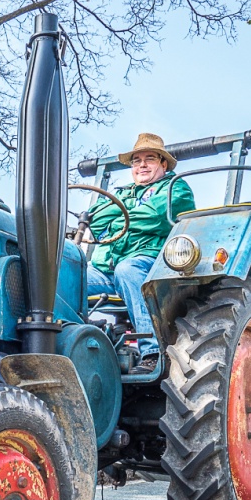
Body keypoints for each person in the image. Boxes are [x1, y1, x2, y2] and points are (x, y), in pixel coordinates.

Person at [86, 132, 195, 373]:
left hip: (149, 263)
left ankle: (152, 351)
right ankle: (78, 344)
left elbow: (155, 216)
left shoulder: (176, 188)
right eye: (137, 161)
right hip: (107, 269)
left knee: (128, 269)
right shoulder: (122, 193)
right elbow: (94, 219)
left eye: (150, 159)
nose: (142, 165)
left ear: (163, 164)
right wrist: (122, 214)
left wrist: (119, 220)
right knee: (66, 276)